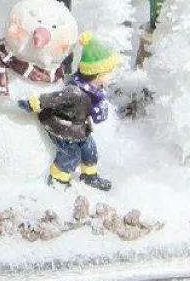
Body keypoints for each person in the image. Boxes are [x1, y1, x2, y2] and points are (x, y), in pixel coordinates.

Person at [18, 32, 120, 191]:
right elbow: (53, 98)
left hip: (79, 126)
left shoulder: (93, 90)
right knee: (71, 154)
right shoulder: (74, 92)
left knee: (89, 148)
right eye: (108, 72)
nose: (111, 75)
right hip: (62, 125)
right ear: (95, 73)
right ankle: (58, 180)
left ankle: (90, 176)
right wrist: (34, 103)